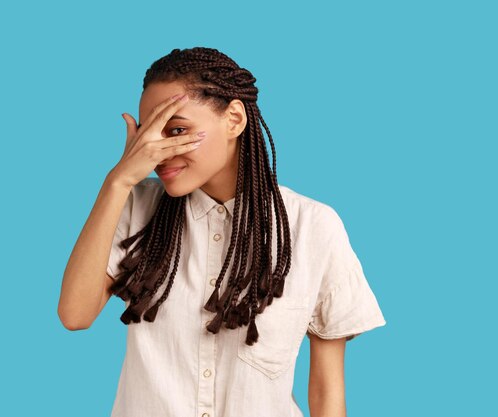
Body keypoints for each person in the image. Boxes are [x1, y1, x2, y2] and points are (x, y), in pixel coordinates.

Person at [58, 47, 386, 417]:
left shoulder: (313, 226)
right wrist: (118, 180)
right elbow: (75, 314)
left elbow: (327, 393)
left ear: (233, 119)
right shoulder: (134, 207)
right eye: (148, 135)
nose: (159, 151)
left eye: (177, 130)